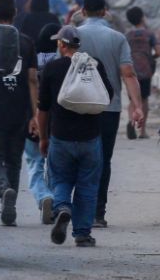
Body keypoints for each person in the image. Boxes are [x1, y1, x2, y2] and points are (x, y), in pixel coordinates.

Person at [37, 25, 113, 247]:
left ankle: (62, 208)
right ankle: (82, 234)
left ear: (62, 44)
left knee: (60, 178)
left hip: (60, 137)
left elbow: (42, 110)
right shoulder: (93, 66)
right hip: (90, 137)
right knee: (88, 186)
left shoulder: (52, 68)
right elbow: (108, 95)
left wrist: (43, 138)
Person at [75, 0, 144, 228]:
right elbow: (128, 73)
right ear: (105, 12)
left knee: (79, 157)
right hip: (109, 107)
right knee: (103, 159)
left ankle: (77, 208)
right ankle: (97, 213)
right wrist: (136, 106)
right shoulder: (117, 38)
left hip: (76, 106)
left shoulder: (73, 35)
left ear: (82, 11)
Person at [0, 0, 38, 226]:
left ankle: (4, 189)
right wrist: (35, 114)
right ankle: (9, 201)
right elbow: (33, 79)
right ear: (15, 13)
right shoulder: (26, 42)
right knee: (15, 159)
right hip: (20, 109)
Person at [26, 22, 63, 224]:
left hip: (35, 118)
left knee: (34, 163)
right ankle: (58, 201)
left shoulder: (33, 60)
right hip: (57, 120)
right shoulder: (62, 62)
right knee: (57, 166)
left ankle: (43, 196)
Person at [124, 6, 159, 139]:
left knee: (133, 99)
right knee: (144, 100)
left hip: (130, 70)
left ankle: (131, 122)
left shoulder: (127, 35)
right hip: (145, 71)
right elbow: (158, 52)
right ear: (142, 17)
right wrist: (150, 58)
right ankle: (142, 132)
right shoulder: (149, 34)